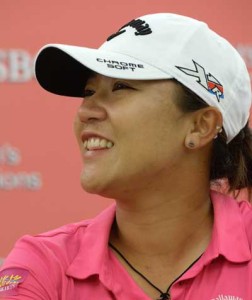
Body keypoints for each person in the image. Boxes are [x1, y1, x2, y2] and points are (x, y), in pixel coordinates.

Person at [0, 13, 252, 300]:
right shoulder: (44, 264)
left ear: (200, 125)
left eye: (121, 87)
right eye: (88, 91)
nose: (85, 111)